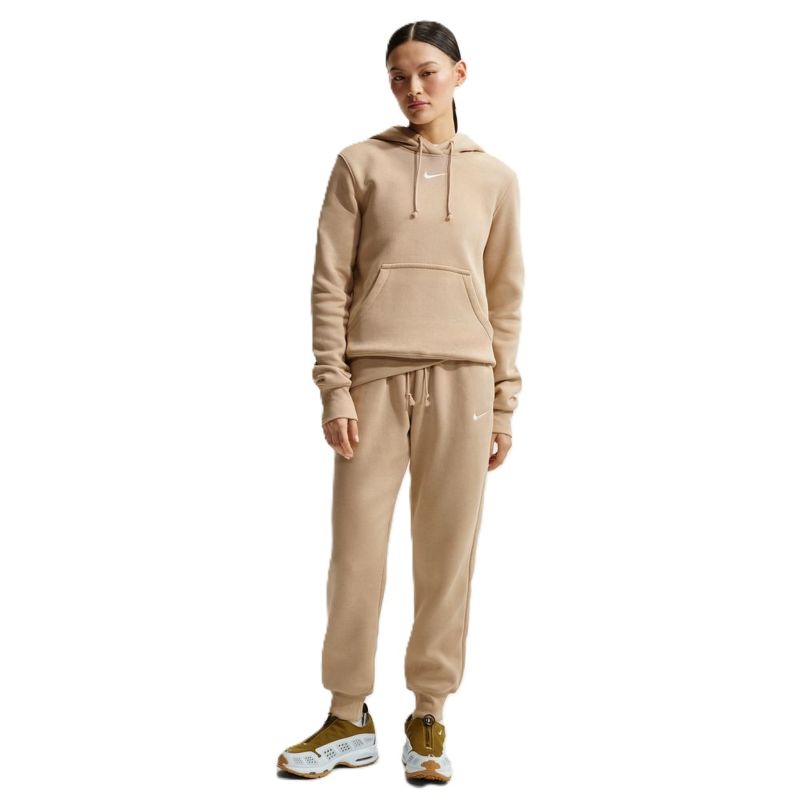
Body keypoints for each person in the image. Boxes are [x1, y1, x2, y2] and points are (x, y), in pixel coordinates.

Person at [277, 20, 524, 782]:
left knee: (447, 558)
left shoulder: (496, 180)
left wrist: (504, 402)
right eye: (397, 76)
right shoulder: (359, 165)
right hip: (374, 380)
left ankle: (429, 714)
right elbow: (329, 283)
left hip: (465, 381)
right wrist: (334, 387)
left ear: (459, 74)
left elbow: (506, 297)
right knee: (356, 554)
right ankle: (347, 715)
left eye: (426, 72)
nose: (412, 88)